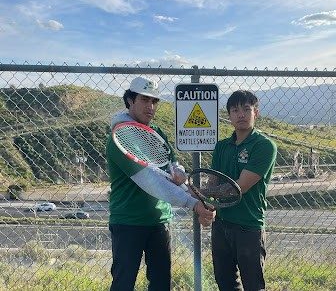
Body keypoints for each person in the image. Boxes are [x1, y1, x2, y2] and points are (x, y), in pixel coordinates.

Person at [106, 76, 216, 291]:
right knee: (123, 284)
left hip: (159, 221)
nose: (150, 106)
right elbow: (150, 181)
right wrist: (193, 204)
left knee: (160, 284)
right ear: (130, 100)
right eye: (145, 100)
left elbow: (171, 165)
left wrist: (179, 173)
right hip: (128, 223)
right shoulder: (119, 138)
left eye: (154, 101)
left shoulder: (157, 133)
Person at [208, 90, 277, 291]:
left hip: (248, 225)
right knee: (225, 283)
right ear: (229, 115)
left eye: (246, 109)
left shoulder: (264, 146)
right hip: (221, 224)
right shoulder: (221, 147)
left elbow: (239, 187)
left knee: (253, 285)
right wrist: (203, 197)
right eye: (235, 110)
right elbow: (213, 182)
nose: (241, 114)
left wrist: (203, 192)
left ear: (256, 112)